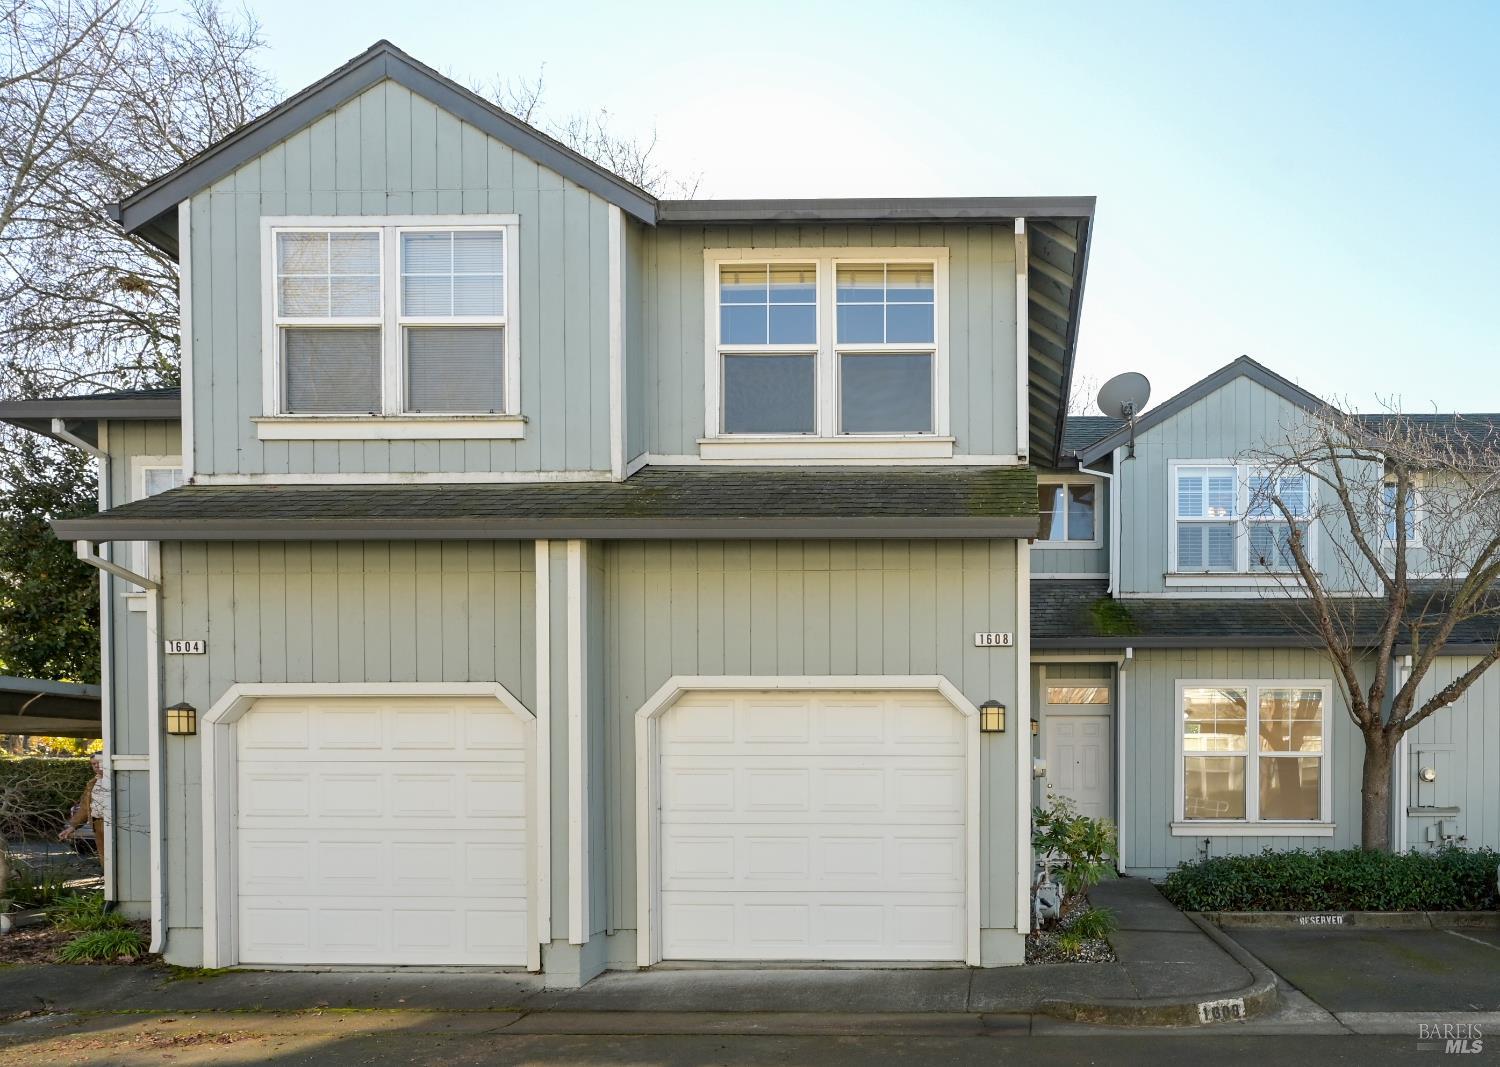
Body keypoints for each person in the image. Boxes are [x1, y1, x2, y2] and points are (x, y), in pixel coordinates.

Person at [59, 753, 109, 865]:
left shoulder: (115, 780)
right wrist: (72, 827)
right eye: (93, 764)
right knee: (105, 861)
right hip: (98, 825)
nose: (96, 766)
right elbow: (84, 808)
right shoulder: (92, 783)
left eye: (99, 762)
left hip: (113, 825)